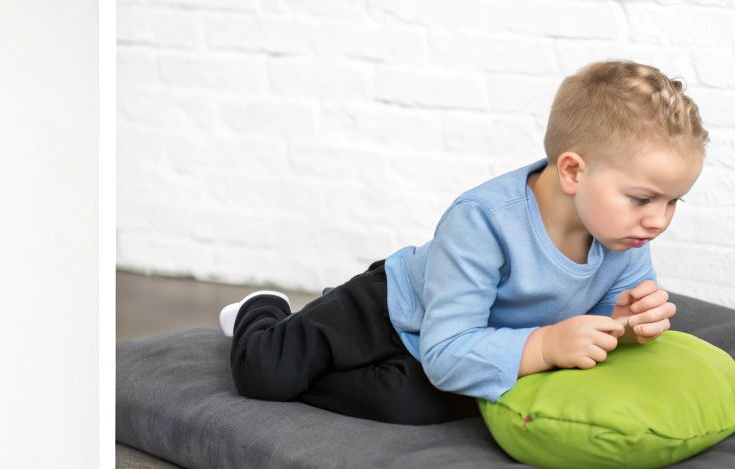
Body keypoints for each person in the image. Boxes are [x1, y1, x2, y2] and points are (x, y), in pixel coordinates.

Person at [220, 60, 701, 426]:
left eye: (673, 201)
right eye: (642, 198)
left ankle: (328, 360)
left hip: (465, 345)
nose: (659, 221)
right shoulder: (482, 221)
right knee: (268, 376)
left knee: (415, 406)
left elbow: (593, 328)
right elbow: (452, 349)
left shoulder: (627, 234)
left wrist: (626, 326)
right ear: (574, 171)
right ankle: (263, 309)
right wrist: (547, 343)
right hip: (391, 306)